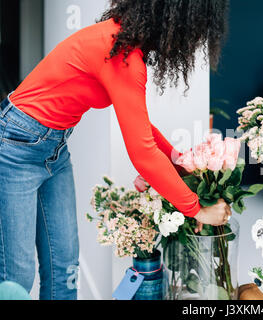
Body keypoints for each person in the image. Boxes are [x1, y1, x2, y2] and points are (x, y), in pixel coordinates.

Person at [0, 0, 230, 300]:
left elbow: (140, 123)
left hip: (53, 148)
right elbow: (144, 154)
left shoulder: (122, 46)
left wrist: (177, 158)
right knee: (16, 279)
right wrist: (197, 208)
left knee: (64, 268)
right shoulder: (122, 56)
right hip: (17, 145)